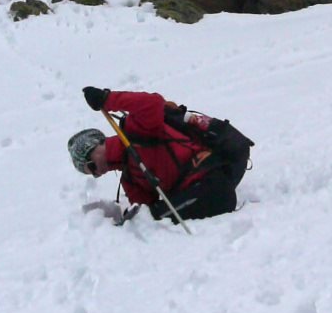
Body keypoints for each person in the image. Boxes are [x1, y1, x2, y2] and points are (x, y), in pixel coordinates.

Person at [68, 87, 254, 224]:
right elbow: (147, 212)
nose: (98, 173)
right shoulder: (130, 180)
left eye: (91, 166)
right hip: (205, 192)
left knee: (161, 213)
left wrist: (108, 99)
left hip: (212, 176)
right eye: (92, 174)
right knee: (152, 216)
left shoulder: (135, 130)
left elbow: (152, 103)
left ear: (95, 145)